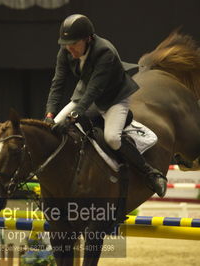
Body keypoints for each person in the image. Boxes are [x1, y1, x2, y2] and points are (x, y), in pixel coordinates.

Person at [44, 14, 167, 197]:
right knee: (53, 127)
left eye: (74, 43)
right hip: (85, 93)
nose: (70, 48)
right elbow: (58, 84)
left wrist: (72, 118)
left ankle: (150, 173)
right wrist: (49, 115)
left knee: (112, 138)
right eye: (66, 44)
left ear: (88, 39)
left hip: (113, 98)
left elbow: (94, 91)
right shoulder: (65, 51)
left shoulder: (105, 52)